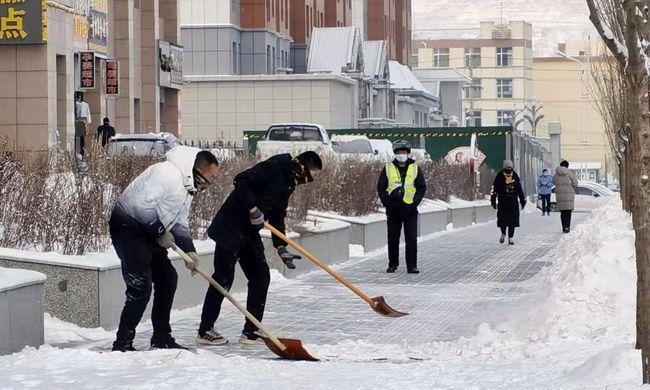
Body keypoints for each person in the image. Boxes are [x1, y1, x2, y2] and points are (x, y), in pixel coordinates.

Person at [197, 151, 322, 346]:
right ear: (301, 169)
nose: (309, 181)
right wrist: (252, 208)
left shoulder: (289, 183)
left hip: (248, 233)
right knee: (223, 278)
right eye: (311, 176)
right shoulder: (273, 168)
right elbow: (241, 181)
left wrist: (281, 247)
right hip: (230, 227)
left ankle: (251, 331)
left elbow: (278, 216)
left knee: (261, 277)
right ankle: (205, 330)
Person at [109, 146, 219, 352]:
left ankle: (161, 337)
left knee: (168, 278)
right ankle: (122, 343)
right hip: (128, 228)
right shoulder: (166, 173)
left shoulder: (188, 187)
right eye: (211, 176)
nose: (211, 182)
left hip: (148, 232)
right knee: (140, 288)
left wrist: (189, 251)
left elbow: (180, 223)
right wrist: (160, 231)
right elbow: (141, 207)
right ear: (199, 170)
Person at [377, 140, 426, 274]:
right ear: (395, 153)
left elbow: (421, 187)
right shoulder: (388, 168)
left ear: (408, 153)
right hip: (393, 209)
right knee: (393, 238)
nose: (401, 155)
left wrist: (415, 202)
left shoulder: (415, 167)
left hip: (410, 209)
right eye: (398, 152)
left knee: (411, 238)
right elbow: (381, 187)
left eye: (403, 152)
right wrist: (387, 203)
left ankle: (412, 266)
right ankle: (393, 264)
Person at [491, 160, 526, 245]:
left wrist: (493, 200)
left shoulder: (499, 175)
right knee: (512, 221)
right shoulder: (514, 175)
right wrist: (522, 200)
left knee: (502, 219)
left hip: (502, 201)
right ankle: (510, 238)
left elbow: (495, 189)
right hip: (513, 202)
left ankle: (503, 233)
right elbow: (519, 189)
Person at [553, 160, 578, 233]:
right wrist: (572, 187)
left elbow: (553, 182)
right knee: (568, 212)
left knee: (562, 212)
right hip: (569, 194)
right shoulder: (570, 173)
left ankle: (564, 227)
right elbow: (575, 183)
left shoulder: (556, 174)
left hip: (559, 195)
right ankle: (567, 226)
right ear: (567, 165)